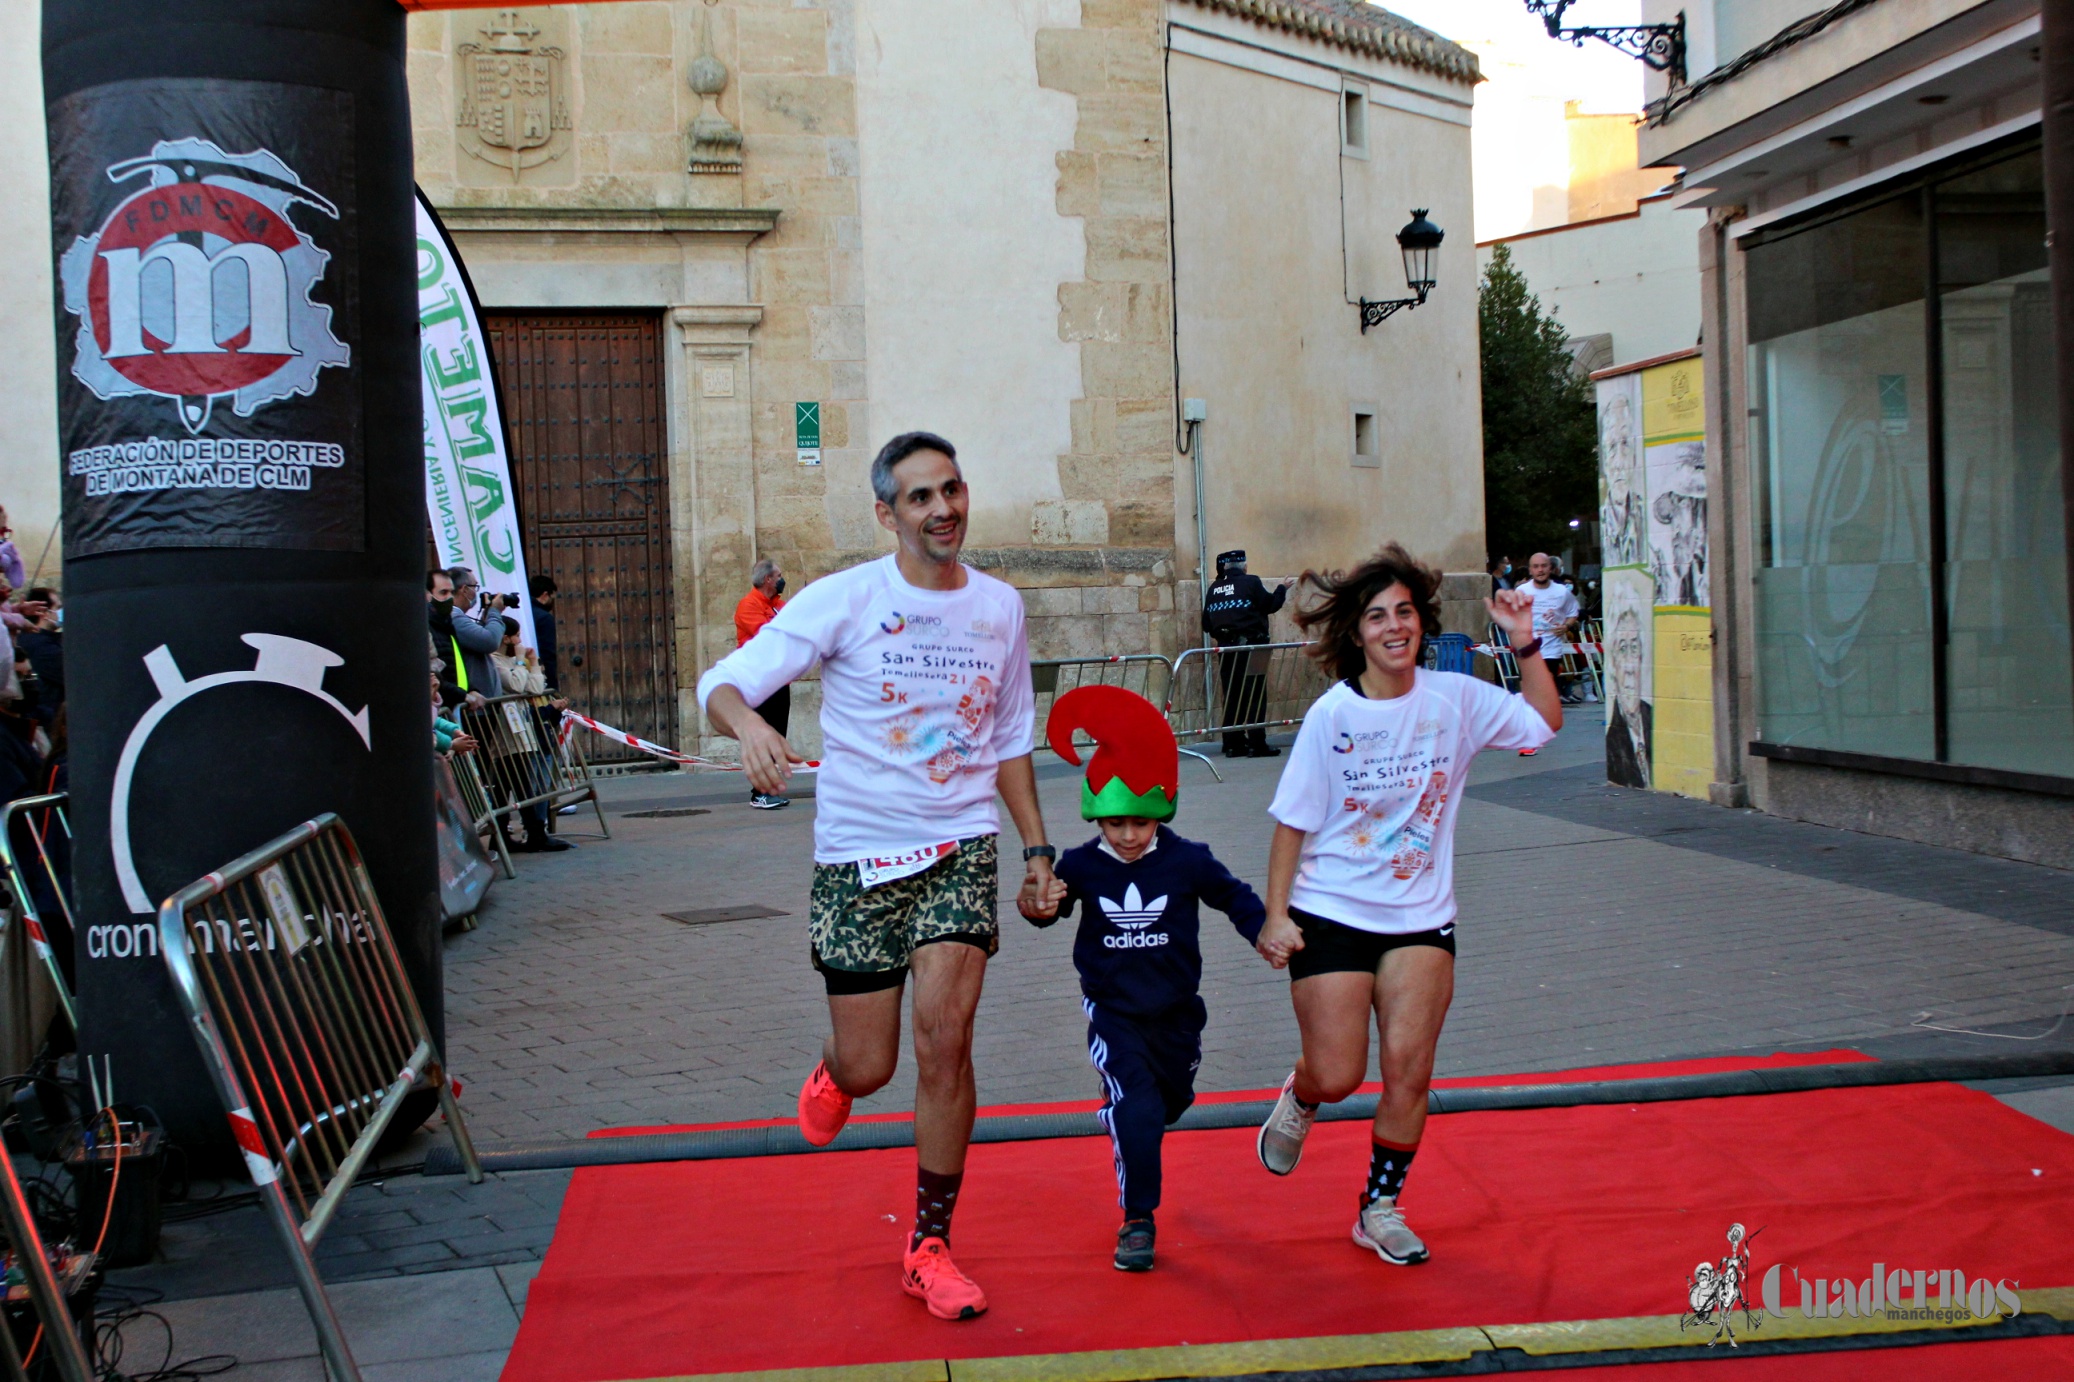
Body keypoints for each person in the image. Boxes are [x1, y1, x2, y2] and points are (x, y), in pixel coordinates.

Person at [697, 431, 1057, 1322]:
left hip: (959, 848)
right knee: (870, 1063)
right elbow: (726, 682)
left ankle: (929, 1241)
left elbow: (1011, 739)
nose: (943, 510)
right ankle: (834, 1076)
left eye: (953, 490)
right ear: (887, 513)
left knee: (947, 1040)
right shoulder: (845, 600)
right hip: (858, 860)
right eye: (922, 497)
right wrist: (745, 726)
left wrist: (1036, 850)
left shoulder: (1000, 609)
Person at [1251, 544, 1560, 1268]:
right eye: (1378, 617)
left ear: (1421, 622)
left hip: (1421, 917)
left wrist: (1525, 640)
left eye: (1406, 613)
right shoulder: (1332, 717)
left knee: (1408, 1071)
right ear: (1356, 633)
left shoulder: (1454, 698)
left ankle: (1379, 1208)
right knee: (1339, 1074)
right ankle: (1302, 1093)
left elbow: (1543, 722)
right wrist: (1274, 917)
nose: (1395, 627)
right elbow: (1290, 825)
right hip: (1329, 911)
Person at [1019, 685, 1264, 1273]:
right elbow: (1044, 909)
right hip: (1115, 1013)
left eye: (1140, 822)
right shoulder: (1080, 863)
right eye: (1115, 822)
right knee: (1137, 1110)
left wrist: (1266, 933)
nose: (1128, 835)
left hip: (1178, 1012)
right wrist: (1039, 902)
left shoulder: (1188, 859)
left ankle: (1150, 1110)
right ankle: (1138, 1217)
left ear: (1162, 812)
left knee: (1170, 1100)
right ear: (1096, 816)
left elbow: (1236, 898)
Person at [1200, 549, 1290, 758]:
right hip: (1252, 647)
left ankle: (1233, 743)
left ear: (1225, 568)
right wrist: (1282, 589)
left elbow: (1206, 624)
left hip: (1226, 649)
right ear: (1245, 567)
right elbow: (1271, 605)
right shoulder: (1251, 582)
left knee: (1232, 695)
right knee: (1255, 695)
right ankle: (1257, 744)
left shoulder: (1214, 588)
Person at [733, 558, 791, 811]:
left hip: (778, 679)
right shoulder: (748, 605)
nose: (781, 579)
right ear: (768, 579)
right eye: (778, 575)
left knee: (777, 734)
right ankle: (759, 792)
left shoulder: (778, 605)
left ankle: (770, 788)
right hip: (760, 681)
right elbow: (769, 637)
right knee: (762, 735)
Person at [427, 569, 496, 710]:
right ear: (427, 594)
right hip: (440, 708)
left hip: (455, 706)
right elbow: (431, 675)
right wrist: (462, 695)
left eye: (451, 592)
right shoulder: (422, 627)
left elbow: (457, 667)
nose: (449, 598)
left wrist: (471, 689)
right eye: (443, 592)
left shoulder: (446, 624)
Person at [529, 574, 560, 690]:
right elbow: (547, 654)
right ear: (545, 595)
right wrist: (552, 685)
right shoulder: (544, 618)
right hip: (538, 675)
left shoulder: (523, 611)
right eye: (552, 598)